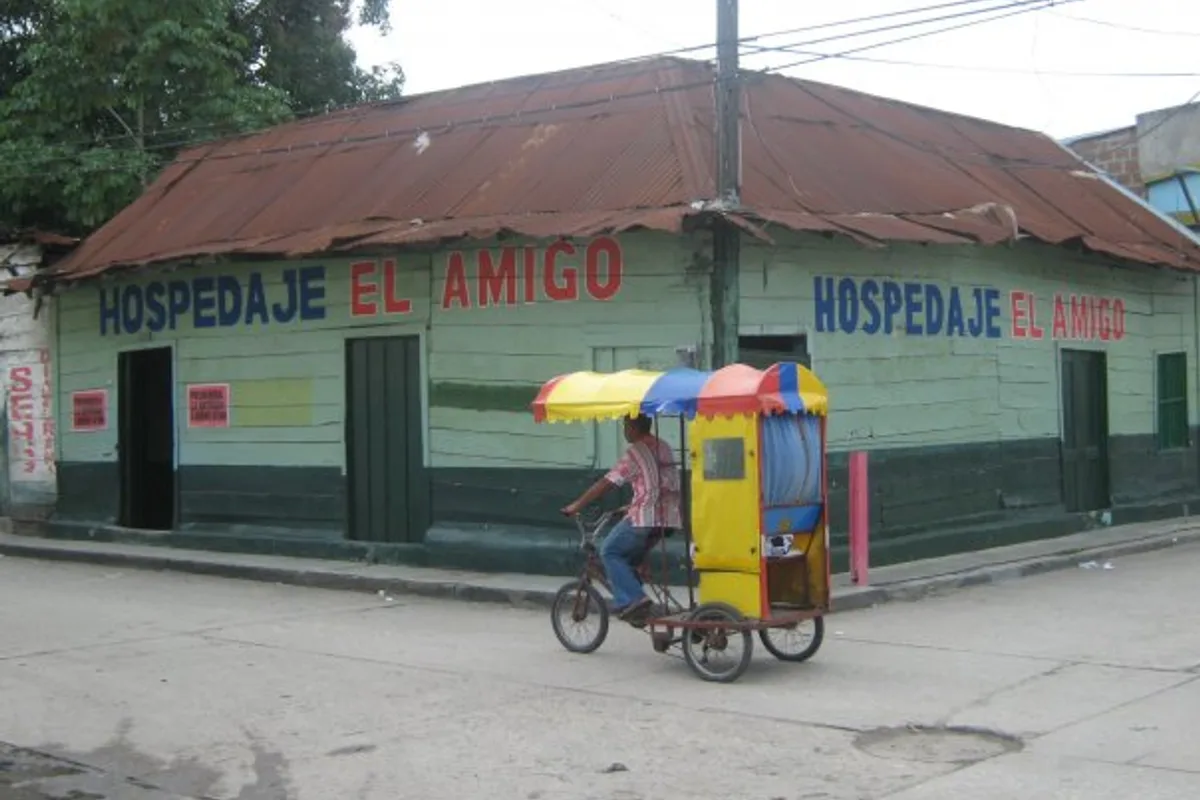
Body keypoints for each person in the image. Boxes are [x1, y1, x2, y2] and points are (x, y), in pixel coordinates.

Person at [562, 414, 681, 622]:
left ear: (634, 427)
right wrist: (629, 506)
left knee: (609, 551)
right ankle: (635, 594)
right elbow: (659, 483)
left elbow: (607, 482)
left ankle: (634, 600)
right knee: (628, 557)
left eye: (626, 425)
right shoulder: (663, 446)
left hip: (645, 517)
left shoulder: (635, 452)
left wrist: (577, 505)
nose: (625, 430)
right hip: (668, 517)